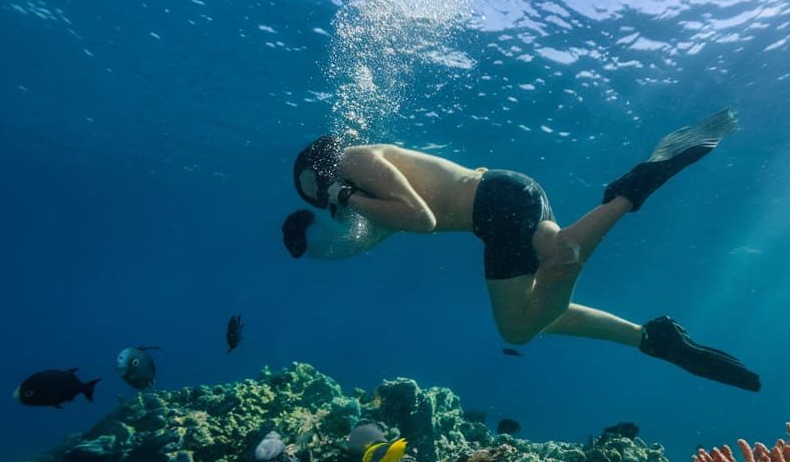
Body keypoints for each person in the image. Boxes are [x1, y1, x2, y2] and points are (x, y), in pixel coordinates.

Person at [282, 110, 760, 391]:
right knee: (544, 298)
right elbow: (369, 237)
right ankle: (649, 338)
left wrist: (344, 196)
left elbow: (422, 220)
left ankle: (626, 195)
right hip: (510, 193)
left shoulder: (357, 159)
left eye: (320, 195)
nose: (338, 209)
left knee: (519, 327)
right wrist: (312, 249)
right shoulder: (368, 186)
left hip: (494, 207)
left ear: (319, 174)